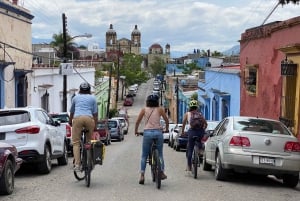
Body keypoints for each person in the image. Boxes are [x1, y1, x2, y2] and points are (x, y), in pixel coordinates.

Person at [135, 94, 169, 185]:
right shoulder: (160, 109)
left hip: (147, 133)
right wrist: (166, 129)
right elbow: (166, 120)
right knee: (160, 154)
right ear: (157, 102)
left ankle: (142, 175)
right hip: (158, 133)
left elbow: (138, 121)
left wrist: (136, 131)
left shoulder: (144, 110)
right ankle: (161, 172)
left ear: (147, 102)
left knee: (144, 156)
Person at [68, 82, 98, 171]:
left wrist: (70, 121)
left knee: (76, 143)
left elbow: (72, 112)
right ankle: (90, 162)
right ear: (89, 90)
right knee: (89, 142)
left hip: (78, 119)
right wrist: (95, 126)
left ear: (80, 90)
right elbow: (95, 114)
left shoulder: (75, 98)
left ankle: (77, 164)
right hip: (89, 119)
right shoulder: (93, 98)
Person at [181, 99, 207, 171]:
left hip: (192, 132)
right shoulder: (200, 114)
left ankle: (189, 166)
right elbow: (205, 123)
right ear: (197, 107)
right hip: (200, 132)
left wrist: (182, 132)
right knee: (199, 140)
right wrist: (203, 129)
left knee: (190, 149)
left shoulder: (187, 114)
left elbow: (183, 124)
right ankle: (200, 149)